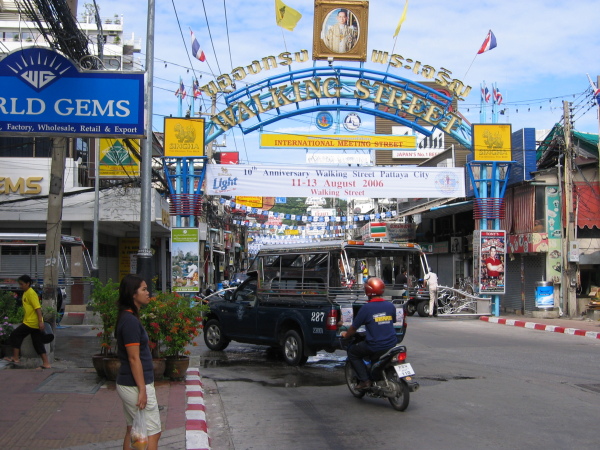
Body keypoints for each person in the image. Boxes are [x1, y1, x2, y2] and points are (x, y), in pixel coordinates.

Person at [115, 274, 161, 450]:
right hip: (135, 385)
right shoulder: (130, 322)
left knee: (134, 430)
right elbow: (134, 358)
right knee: (152, 433)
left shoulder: (128, 318)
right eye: (144, 289)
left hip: (129, 383)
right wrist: (142, 390)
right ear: (133, 294)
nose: (148, 293)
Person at [340, 277, 398, 390]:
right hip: (392, 344)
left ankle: (365, 380)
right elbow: (392, 321)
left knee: (353, 352)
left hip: (375, 345)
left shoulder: (366, 308)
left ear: (368, 290)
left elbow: (353, 328)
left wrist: (346, 335)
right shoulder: (390, 306)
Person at [3, 275, 51, 369]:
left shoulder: (31, 293)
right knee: (37, 342)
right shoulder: (26, 292)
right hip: (32, 322)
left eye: (22, 284)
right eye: (19, 284)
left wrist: (40, 322)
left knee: (15, 334)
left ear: (28, 284)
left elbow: (38, 308)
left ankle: (15, 358)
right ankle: (46, 363)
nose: (20, 286)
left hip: (32, 322)